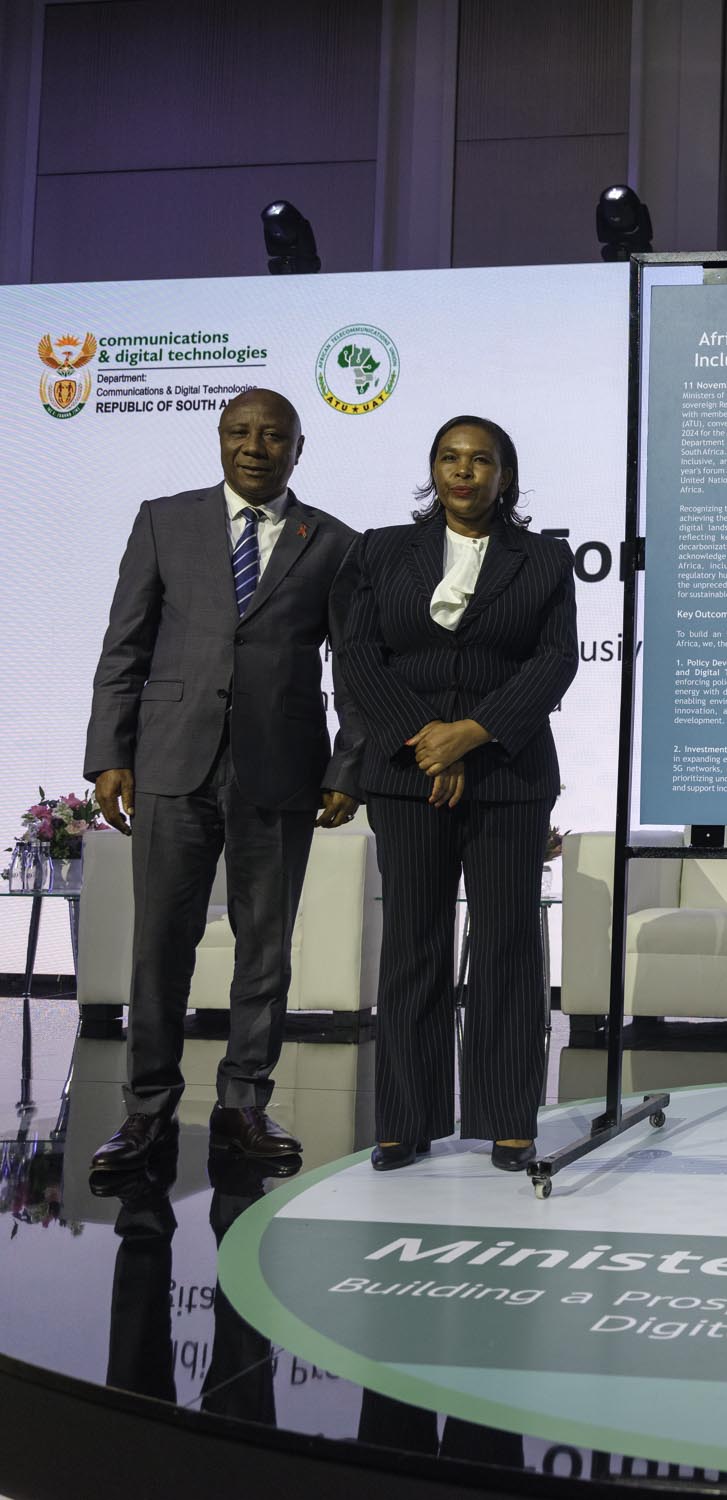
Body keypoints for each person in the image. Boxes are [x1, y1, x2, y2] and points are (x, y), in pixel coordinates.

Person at [84, 389, 361, 1174]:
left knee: (264, 949)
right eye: (240, 431)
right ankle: (145, 1113)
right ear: (219, 438)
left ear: (297, 451)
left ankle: (244, 1106)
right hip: (173, 762)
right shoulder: (163, 521)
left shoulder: (335, 542)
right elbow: (124, 645)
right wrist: (111, 752)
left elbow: (357, 673)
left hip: (282, 770)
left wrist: (348, 766)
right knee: (159, 945)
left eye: (273, 436)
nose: (254, 446)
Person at [337, 416, 577, 1172]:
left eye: (481, 461)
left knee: (508, 945)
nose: (464, 472)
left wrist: (470, 733)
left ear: (506, 475)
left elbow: (554, 663)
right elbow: (357, 656)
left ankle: (509, 1119)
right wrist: (427, 739)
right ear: (431, 468)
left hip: (509, 775)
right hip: (408, 777)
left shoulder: (543, 560)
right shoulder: (379, 551)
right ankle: (405, 1120)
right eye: (450, 457)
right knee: (413, 944)